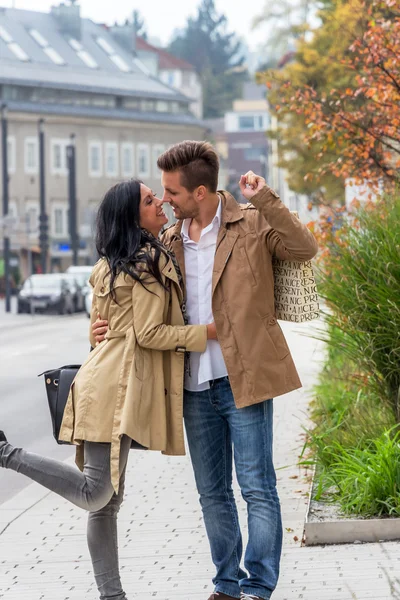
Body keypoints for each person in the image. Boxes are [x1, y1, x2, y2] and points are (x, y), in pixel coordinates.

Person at [93, 141, 318, 600]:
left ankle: (258, 586)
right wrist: (101, 328)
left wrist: (266, 198)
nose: (165, 200)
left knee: (258, 488)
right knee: (212, 494)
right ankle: (226, 584)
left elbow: (304, 247)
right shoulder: (168, 240)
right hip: (192, 387)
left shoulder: (252, 225)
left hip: (245, 379)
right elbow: (124, 286)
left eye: (171, 192)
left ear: (199, 191)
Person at [0, 178, 217, 600]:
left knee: (107, 502)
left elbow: (104, 325)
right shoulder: (145, 264)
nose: (159, 203)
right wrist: (206, 332)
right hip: (111, 388)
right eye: (150, 201)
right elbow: (151, 332)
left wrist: (97, 331)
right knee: (95, 493)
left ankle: (111, 595)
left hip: (114, 383)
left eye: (158, 197)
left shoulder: (118, 261)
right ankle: (6, 454)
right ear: (131, 217)